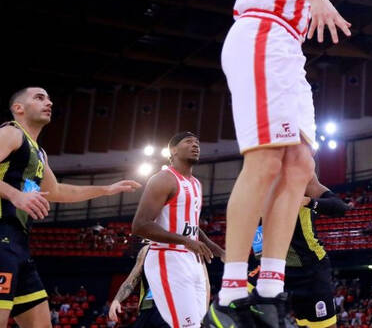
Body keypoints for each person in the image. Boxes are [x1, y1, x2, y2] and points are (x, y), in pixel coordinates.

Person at [214, 0, 372, 326]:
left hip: (286, 46)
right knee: (266, 161)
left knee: (300, 165)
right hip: (260, 34)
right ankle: (231, 291)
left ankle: (270, 287)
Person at [0, 87, 140, 326]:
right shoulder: (11, 133)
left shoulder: (39, 153)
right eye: (39, 97)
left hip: (19, 247)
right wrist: (15, 195)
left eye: (49, 98)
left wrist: (106, 190)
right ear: (18, 108)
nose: (49, 102)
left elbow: (57, 191)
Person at [132, 132, 222, 328]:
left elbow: (191, 226)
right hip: (168, 258)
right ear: (172, 150)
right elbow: (140, 225)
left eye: (197, 142)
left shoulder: (196, 183)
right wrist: (185, 241)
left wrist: (217, 249)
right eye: (188, 142)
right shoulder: (163, 179)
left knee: (199, 324)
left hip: (191, 261)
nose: (195, 145)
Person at [246, 174, 352, 328]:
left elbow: (341, 208)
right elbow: (258, 240)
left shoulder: (304, 178)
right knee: (234, 300)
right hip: (276, 265)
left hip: (310, 269)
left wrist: (309, 201)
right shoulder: (257, 181)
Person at [109, 243, 170, 328]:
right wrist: (117, 300)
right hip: (148, 307)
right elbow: (133, 278)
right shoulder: (147, 250)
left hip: (171, 308)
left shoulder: (185, 249)